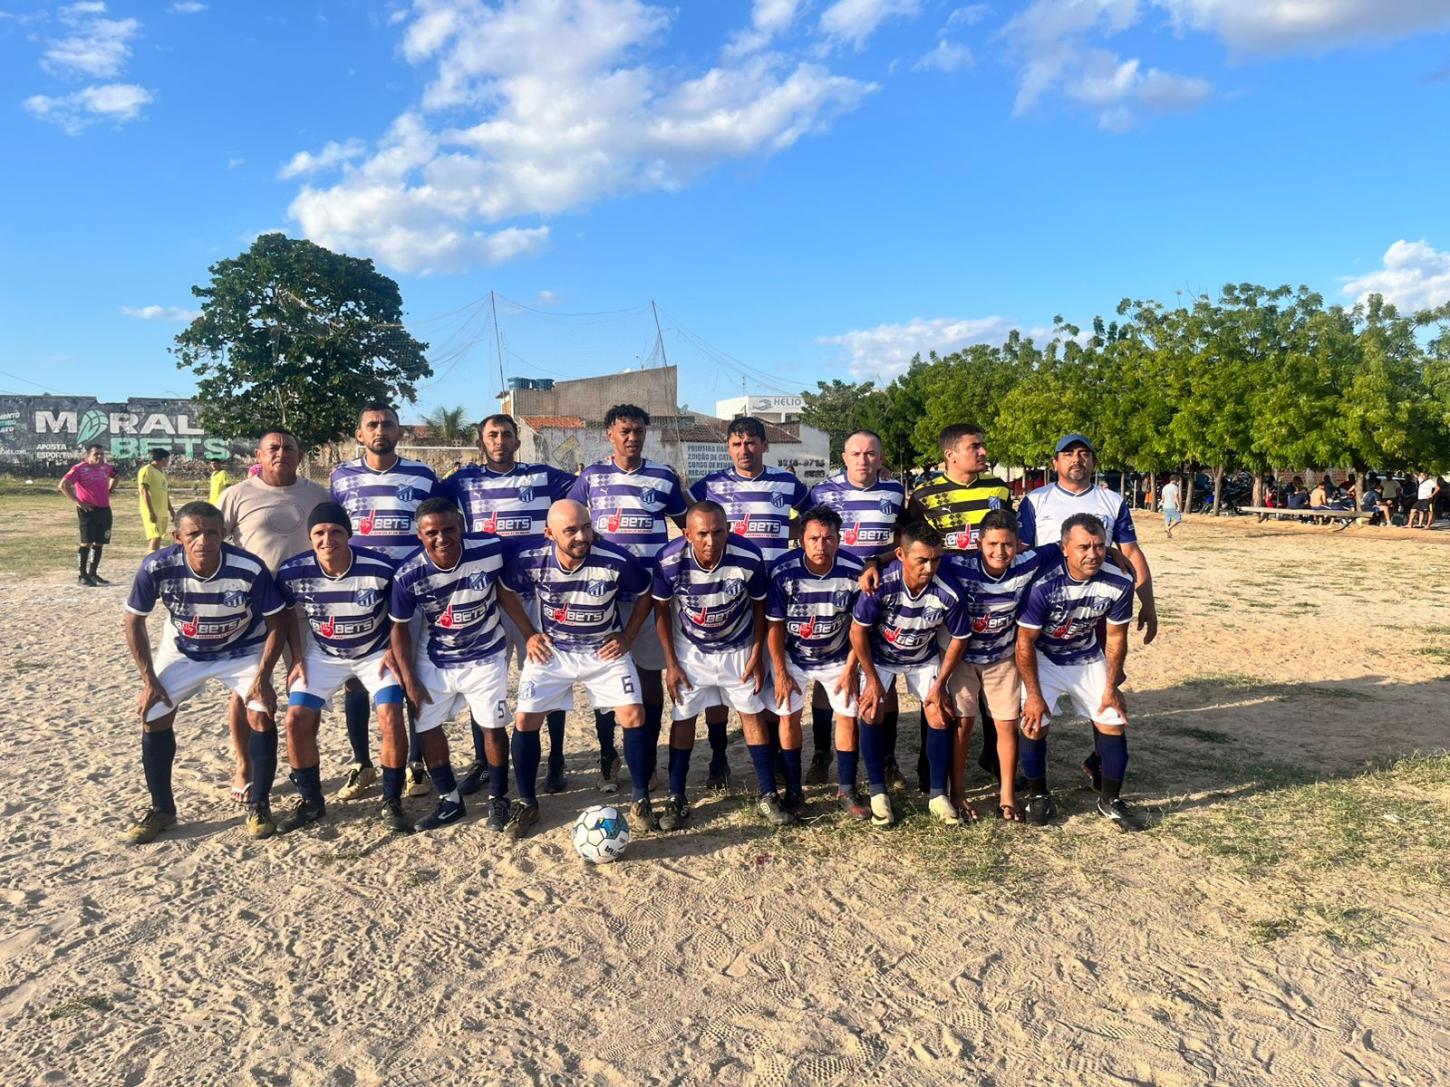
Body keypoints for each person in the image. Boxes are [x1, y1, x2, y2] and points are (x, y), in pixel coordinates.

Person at [123, 501, 289, 843]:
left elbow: (277, 622)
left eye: (211, 532)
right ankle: (162, 810)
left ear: (224, 534)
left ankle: (259, 803)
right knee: (154, 714)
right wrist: (149, 681)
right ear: (177, 537)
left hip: (242, 649)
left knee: (260, 713)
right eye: (193, 533)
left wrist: (262, 679)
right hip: (184, 650)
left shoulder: (248, 567)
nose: (203, 540)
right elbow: (133, 621)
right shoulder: (156, 566)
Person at [495, 500, 656, 837]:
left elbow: (645, 592)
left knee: (634, 715)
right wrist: (528, 634)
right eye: (570, 530)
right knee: (525, 719)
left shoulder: (615, 558)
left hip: (603, 650)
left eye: (586, 526)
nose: (582, 536)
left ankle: (641, 799)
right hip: (554, 651)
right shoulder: (531, 560)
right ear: (549, 533)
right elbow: (505, 589)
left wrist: (627, 635)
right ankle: (527, 803)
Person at [441, 413, 576, 794]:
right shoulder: (462, 481)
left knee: (548, 676)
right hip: (487, 597)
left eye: (506, 434)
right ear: (482, 442)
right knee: (484, 680)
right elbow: (427, 508)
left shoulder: (543, 476)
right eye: (492, 435)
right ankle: (484, 762)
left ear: (518, 441)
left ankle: (557, 760)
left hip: (538, 594)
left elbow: (587, 491)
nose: (499, 440)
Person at [567, 404, 688, 794]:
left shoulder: (663, 477)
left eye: (638, 431)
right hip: (600, 596)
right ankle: (608, 756)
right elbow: (569, 520)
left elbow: (689, 527)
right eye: (624, 431)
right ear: (609, 435)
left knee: (649, 680)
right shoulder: (591, 477)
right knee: (605, 680)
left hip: (649, 596)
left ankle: (647, 759)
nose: (632, 437)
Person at [688, 416, 811, 788]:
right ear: (728, 447)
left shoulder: (786, 483)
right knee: (720, 677)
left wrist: (783, 531)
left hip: (775, 590)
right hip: (727, 591)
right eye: (737, 444)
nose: (745, 450)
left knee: (770, 674)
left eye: (752, 443)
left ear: (764, 445)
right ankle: (719, 756)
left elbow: (809, 521)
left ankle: (773, 754)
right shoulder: (709, 486)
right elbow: (690, 524)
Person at [274, 502, 411, 835]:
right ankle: (311, 801)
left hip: (374, 653)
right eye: (319, 533)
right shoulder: (293, 571)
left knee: (390, 714)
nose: (327, 539)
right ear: (310, 538)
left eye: (335, 532)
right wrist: (298, 656)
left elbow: (398, 615)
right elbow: (287, 614)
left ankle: (391, 800)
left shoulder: (379, 568)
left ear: (348, 535)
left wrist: (392, 650)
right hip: (323, 654)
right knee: (296, 720)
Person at [330, 402, 439, 801]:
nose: (380, 430)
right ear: (359, 433)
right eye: (372, 425)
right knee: (356, 679)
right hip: (360, 591)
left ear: (400, 432)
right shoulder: (341, 477)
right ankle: (361, 763)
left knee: (411, 674)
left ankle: (417, 766)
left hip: (410, 590)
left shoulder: (423, 476)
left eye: (388, 424)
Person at [218, 428, 330, 804]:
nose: (282, 452)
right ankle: (244, 764)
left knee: (305, 689)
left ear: (300, 456)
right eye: (274, 447)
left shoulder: (317, 495)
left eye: (290, 447)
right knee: (247, 690)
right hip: (254, 613)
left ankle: (301, 765)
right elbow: (215, 544)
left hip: (306, 610)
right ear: (259, 455)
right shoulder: (236, 495)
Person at [387, 499, 510, 833]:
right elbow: (398, 628)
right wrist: (410, 678)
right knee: (425, 725)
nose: (441, 538)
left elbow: (539, 543)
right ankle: (450, 800)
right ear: (419, 536)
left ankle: (499, 798)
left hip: (486, 653)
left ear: (461, 526)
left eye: (448, 529)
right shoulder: (409, 574)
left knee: (492, 726)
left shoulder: (491, 547)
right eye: (432, 533)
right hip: (436, 657)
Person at [652, 501, 776, 829]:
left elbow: (760, 607)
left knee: (751, 713)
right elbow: (661, 611)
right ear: (687, 533)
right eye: (702, 534)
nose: (711, 540)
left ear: (728, 530)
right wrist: (671, 663)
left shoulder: (748, 557)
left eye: (718, 531)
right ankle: (677, 797)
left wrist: (757, 653)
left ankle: (767, 794)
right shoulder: (668, 560)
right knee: (683, 717)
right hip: (691, 650)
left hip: (739, 646)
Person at [907, 423, 1013, 791]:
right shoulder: (925, 495)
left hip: (992, 603)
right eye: (975, 447)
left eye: (984, 446)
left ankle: (992, 757)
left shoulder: (999, 489)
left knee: (991, 685)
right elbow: (913, 548)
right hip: (945, 605)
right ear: (951, 454)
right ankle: (930, 766)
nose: (983, 453)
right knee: (941, 685)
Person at [1016, 513, 1138, 830]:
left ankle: (1110, 799)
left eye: (1099, 546)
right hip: (1043, 658)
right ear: (1064, 548)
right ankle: (1038, 794)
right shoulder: (1042, 585)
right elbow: (1025, 644)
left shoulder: (1120, 580)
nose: (1093, 554)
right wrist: (1032, 694)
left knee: (1112, 719)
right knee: (1034, 722)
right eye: (1083, 546)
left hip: (1086, 656)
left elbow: (1115, 638)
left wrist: (1111, 685)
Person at [944, 508, 1063, 822]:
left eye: (1007, 544)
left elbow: (1064, 545)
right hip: (963, 659)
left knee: (1006, 725)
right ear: (979, 543)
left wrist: (1114, 554)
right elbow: (920, 553)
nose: (1000, 551)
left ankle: (1007, 795)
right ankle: (957, 792)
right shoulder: (957, 563)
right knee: (963, 726)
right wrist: (875, 562)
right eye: (992, 544)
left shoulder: (1028, 561)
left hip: (1002, 658)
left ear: (1019, 544)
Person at [850, 521, 970, 828]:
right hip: (882, 658)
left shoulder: (949, 591)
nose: (930, 568)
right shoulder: (879, 584)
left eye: (936, 559)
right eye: (922, 560)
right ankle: (878, 791)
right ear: (901, 555)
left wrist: (940, 685)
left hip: (923, 658)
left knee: (939, 714)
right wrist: (873, 681)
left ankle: (937, 795)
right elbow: (858, 633)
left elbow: (959, 638)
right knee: (871, 709)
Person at [806, 429, 905, 782]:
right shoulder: (822, 492)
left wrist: (876, 561)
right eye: (856, 454)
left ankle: (888, 758)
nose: (864, 460)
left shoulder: (895, 491)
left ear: (881, 457)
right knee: (829, 670)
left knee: (883, 674)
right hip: (833, 589)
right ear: (844, 457)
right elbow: (809, 534)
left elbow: (901, 539)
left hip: (880, 591)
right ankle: (821, 755)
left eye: (871, 454)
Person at [765, 506, 866, 817]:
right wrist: (780, 671)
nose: (821, 546)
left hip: (838, 655)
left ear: (839, 539)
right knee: (788, 717)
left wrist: (851, 668)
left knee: (848, 716)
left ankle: (847, 789)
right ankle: (794, 790)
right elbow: (774, 625)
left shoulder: (854, 570)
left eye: (828, 538)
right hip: (793, 656)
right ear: (801, 539)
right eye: (813, 538)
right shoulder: (783, 570)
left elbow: (859, 626)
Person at [60, 442, 118, 586]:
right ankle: (83, 575)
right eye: (96, 454)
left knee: (100, 542)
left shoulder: (106, 467)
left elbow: (116, 475)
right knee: (86, 542)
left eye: (101, 454)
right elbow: (63, 485)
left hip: (104, 509)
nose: (99, 457)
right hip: (88, 510)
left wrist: (110, 489)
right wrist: (78, 501)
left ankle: (93, 573)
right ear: (88, 455)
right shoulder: (79, 469)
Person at [137, 448, 174, 553]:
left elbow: (165, 493)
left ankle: (154, 561)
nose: (168, 461)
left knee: (158, 538)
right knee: (155, 537)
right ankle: (150, 563)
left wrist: (171, 510)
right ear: (163, 459)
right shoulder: (147, 470)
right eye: (168, 459)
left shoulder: (161, 473)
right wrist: (151, 512)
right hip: (152, 511)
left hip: (162, 512)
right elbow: (144, 491)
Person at [1160, 473, 1182, 538]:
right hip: (1171, 505)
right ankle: (1168, 529)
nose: (1177, 482)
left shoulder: (1165, 487)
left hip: (1165, 506)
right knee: (1178, 519)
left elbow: (1163, 497)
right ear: (1174, 480)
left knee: (1167, 520)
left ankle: (1168, 534)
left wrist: (1162, 503)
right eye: (1177, 480)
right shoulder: (1175, 487)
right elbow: (1176, 496)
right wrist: (1178, 505)